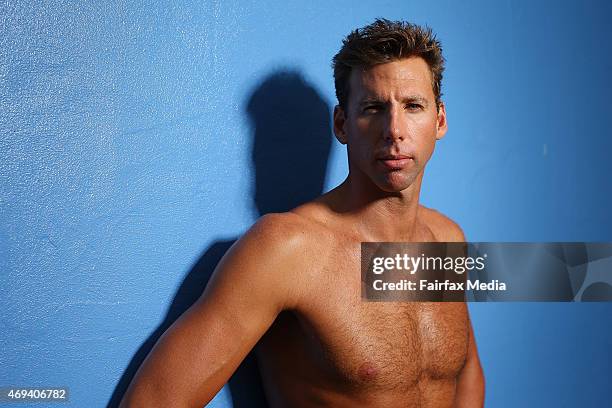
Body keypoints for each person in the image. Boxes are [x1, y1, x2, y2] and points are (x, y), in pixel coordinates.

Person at [120, 18, 485, 407]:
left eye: (413, 106)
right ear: (342, 124)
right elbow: (154, 399)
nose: (394, 130)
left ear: (439, 120)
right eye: (373, 108)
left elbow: (464, 378)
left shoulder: (446, 238)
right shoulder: (285, 250)